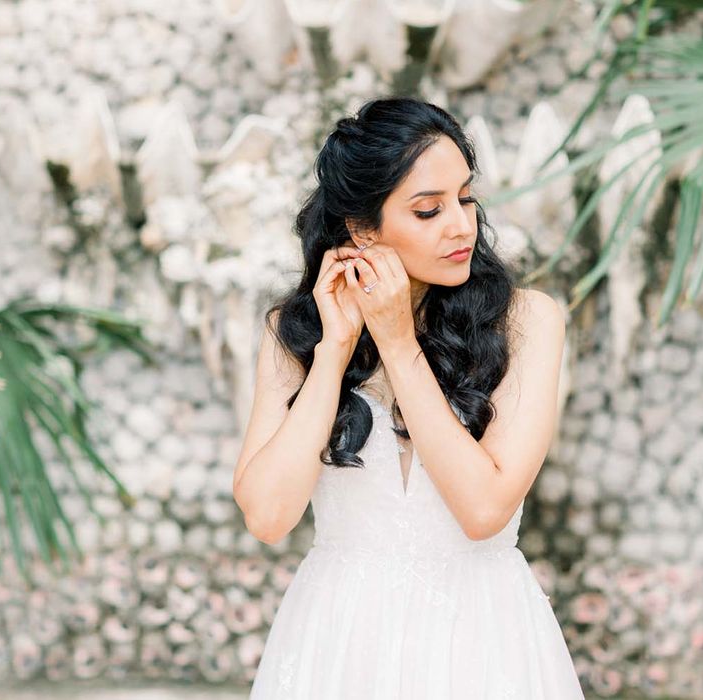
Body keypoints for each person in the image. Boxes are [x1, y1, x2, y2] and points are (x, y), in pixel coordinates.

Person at [233, 96, 585, 699]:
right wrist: (334, 351)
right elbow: (267, 517)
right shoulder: (294, 334)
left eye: (465, 198)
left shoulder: (527, 322)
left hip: (480, 636)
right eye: (428, 210)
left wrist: (399, 345)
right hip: (341, 639)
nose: (460, 225)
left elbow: (483, 511)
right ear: (362, 229)